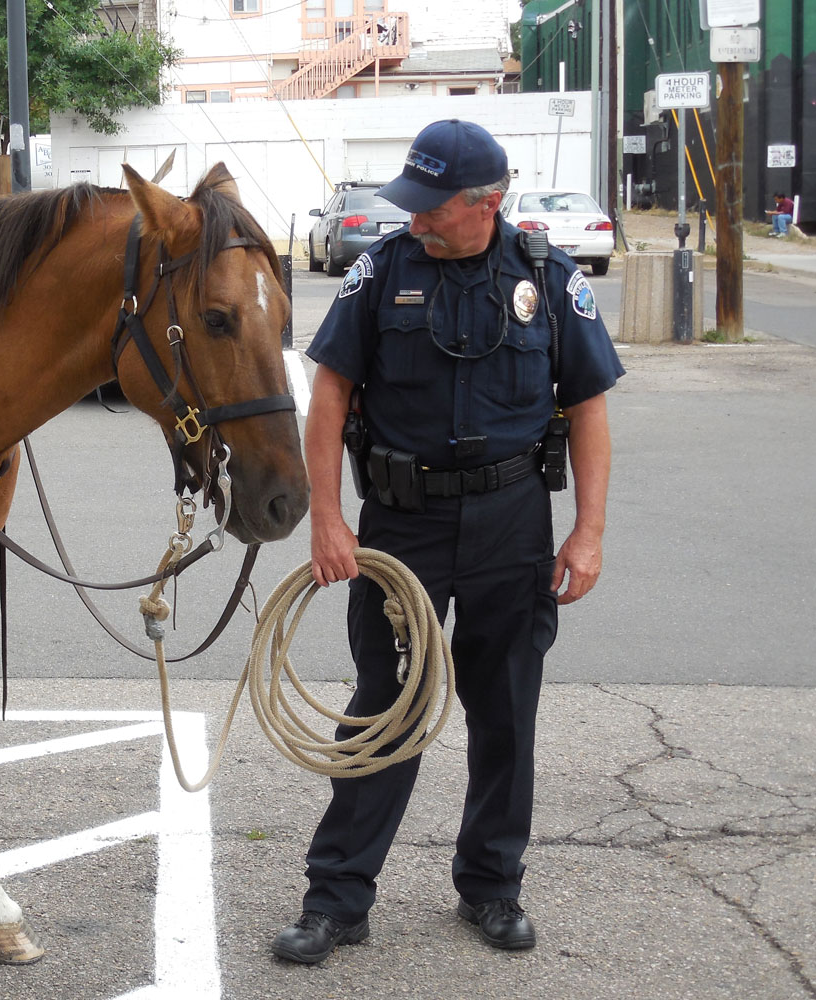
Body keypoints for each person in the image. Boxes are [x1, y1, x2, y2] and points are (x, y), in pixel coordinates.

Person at [272, 119, 624, 966]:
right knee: (383, 709)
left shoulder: (546, 276)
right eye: (414, 205)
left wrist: (588, 532)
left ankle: (492, 888)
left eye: (434, 209)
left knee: (504, 713)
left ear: (487, 204)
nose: (417, 220)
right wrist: (327, 517)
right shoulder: (379, 273)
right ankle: (337, 900)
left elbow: (588, 409)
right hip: (403, 527)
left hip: (511, 524)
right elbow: (328, 402)